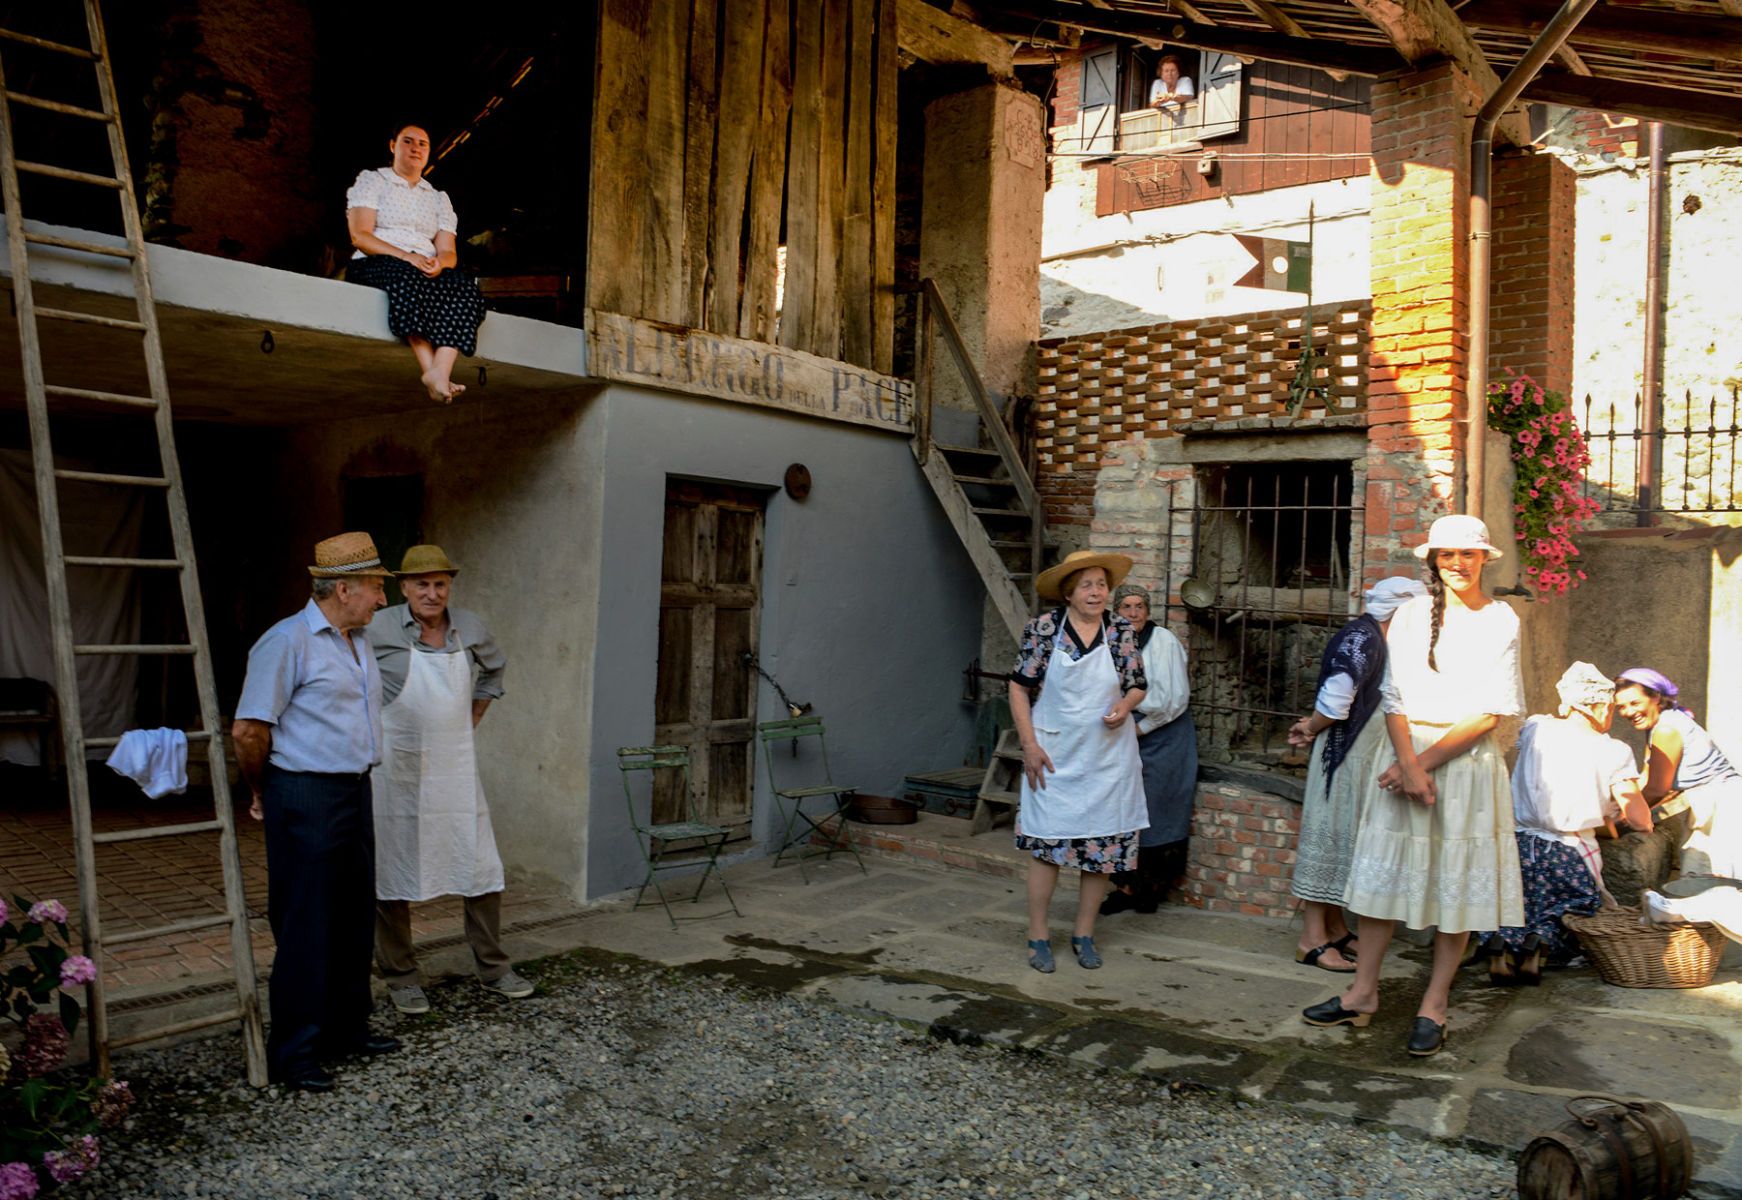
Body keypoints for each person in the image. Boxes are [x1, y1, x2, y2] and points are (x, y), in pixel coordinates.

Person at [1302, 515, 1525, 1058]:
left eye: (1467, 555)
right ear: (1433, 561)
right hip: (1402, 758)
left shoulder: (1502, 620)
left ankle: (1435, 1004)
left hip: (1465, 765)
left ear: (1483, 560)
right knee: (1380, 887)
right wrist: (1408, 763)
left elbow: (1492, 711)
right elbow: (1394, 697)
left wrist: (1420, 765)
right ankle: (1362, 992)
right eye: (1447, 555)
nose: (1457, 564)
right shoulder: (1408, 616)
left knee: (1458, 889)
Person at [231, 533, 400, 1092]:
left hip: (354, 789)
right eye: (377, 587)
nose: (382, 600)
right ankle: (295, 1051)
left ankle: (347, 1027)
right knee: (306, 920)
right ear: (344, 588)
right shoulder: (287, 641)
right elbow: (250, 730)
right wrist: (262, 790)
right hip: (304, 792)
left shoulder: (357, 641)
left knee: (354, 914)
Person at [366, 545, 535, 1015]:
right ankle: (401, 977)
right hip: (394, 768)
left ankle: (494, 968)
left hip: (454, 767)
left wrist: (472, 716)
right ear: (403, 588)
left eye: (440, 584)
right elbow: (349, 678)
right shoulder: (376, 629)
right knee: (392, 869)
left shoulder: (471, 626)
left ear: (450, 587)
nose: (432, 593)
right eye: (422, 584)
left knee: (479, 864)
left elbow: (495, 669)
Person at [1009, 550, 1148, 973]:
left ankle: (1084, 934)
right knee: (1047, 848)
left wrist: (1125, 705)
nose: (1096, 592)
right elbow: (1018, 689)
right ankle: (1038, 936)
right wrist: (1029, 746)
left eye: (1102, 585)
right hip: (1053, 756)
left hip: (1108, 760)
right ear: (1069, 592)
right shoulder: (1045, 630)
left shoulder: (1120, 630)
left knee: (1102, 850)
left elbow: (1138, 685)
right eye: (1086, 585)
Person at [1475, 662, 1651, 984]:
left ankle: (1500, 945)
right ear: (1596, 706)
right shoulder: (1613, 750)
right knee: (1571, 907)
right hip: (1568, 850)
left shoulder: (1534, 728)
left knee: (1513, 901)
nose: (1610, 716)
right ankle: (1540, 945)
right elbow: (1636, 813)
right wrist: (1643, 821)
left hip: (1518, 844)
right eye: (1609, 708)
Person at [1286, 576, 1427, 973]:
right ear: (1398, 612)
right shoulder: (1361, 639)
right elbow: (1335, 701)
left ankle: (1334, 928)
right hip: (1344, 759)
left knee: (1343, 842)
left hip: (1360, 758)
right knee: (1329, 840)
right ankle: (1311, 940)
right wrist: (1312, 726)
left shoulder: (1381, 641)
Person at [346, 122, 488, 404]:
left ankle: (441, 371)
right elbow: (360, 236)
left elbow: (448, 251)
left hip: (424, 266)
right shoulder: (373, 181)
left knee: (465, 290)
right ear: (393, 146)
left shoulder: (438, 198)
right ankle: (429, 370)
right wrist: (406, 256)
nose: (415, 148)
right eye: (408, 141)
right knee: (407, 277)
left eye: (422, 144)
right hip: (377, 262)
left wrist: (439, 264)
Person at [1099, 582, 1197, 915]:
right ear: (1116, 611)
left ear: (1148, 610)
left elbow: (1173, 700)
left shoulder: (1164, 641)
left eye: (1139, 606)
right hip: (1125, 730)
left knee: (1157, 811)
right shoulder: (1110, 639)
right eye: (1126, 606)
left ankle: (1150, 889)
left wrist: (1139, 729)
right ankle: (1124, 887)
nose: (1133, 613)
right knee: (1121, 810)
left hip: (1163, 733)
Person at [1615, 667, 1742, 881]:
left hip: (1722, 807)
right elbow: (1647, 777)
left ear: (1656, 697)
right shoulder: (1658, 725)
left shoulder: (1666, 729)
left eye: (1634, 703)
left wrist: (1623, 820)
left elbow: (1657, 789)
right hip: (1713, 803)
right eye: (1621, 707)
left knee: (1714, 881)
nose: (1628, 712)